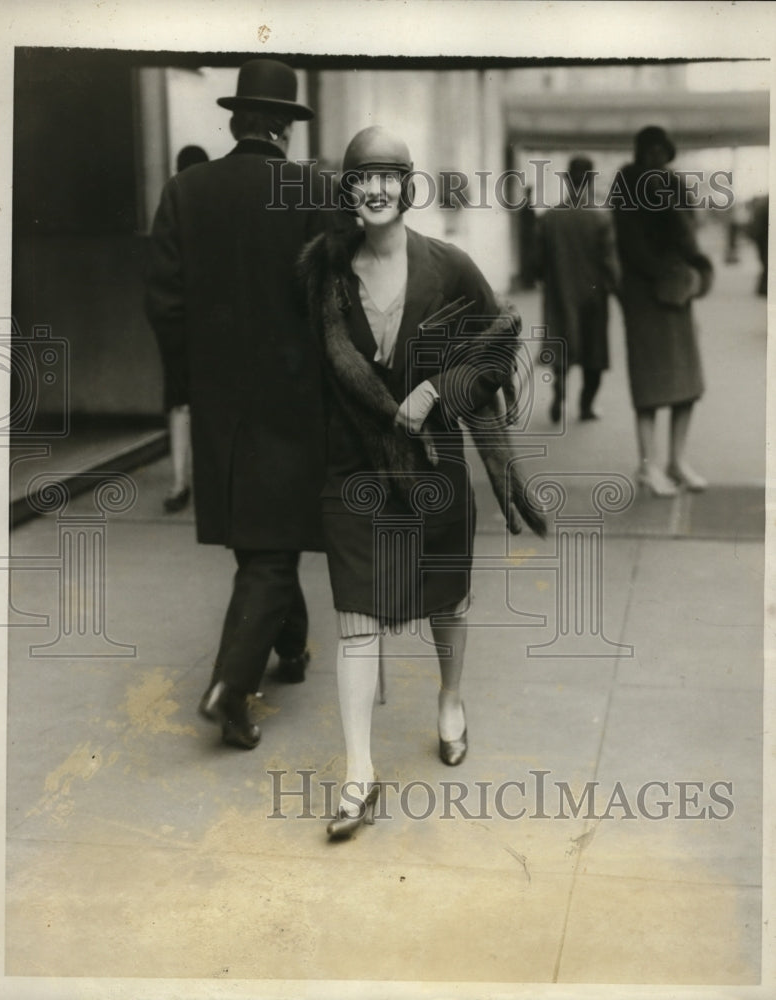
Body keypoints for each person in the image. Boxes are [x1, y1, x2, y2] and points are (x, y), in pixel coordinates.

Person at [299, 126, 545, 839]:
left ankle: (450, 698)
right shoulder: (324, 272)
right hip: (353, 467)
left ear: (407, 187)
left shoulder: (447, 265)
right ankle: (358, 775)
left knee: (448, 602)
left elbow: (502, 339)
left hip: (433, 464)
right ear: (348, 190)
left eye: (388, 176)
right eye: (362, 177)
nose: (375, 189)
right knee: (355, 620)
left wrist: (437, 385)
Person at [145, 59, 327, 749]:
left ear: (233, 121)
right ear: (284, 125)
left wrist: (191, 381)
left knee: (261, 537)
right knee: (274, 547)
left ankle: (293, 645)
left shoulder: (185, 190)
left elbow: (163, 301)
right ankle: (230, 686)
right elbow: (332, 302)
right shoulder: (310, 190)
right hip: (293, 395)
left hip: (220, 396)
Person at [612, 125, 713, 497]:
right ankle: (648, 467)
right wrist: (665, 273)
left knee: (687, 383)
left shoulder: (676, 184)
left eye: (662, 150)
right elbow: (630, 246)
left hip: (678, 291)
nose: (656, 156)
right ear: (639, 152)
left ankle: (676, 461)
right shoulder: (626, 184)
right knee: (650, 386)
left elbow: (690, 235)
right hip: (644, 294)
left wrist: (694, 274)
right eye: (649, 150)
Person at [535, 155, 620, 423]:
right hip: (594, 296)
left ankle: (559, 393)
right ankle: (586, 406)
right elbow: (610, 263)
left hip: (560, 292)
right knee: (594, 353)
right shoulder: (600, 218)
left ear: (568, 181)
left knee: (561, 344)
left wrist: (546, 277)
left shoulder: (549, 218)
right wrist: (621, 293)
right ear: (591, 180)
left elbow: (535, 262)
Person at [159, 145, 209, 515]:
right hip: (212, 320)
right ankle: (200, 480)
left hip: (178, 319)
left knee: (179, 401)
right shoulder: (214, 207)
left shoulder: (170, 202)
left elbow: (160, 272)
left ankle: (180, 482)